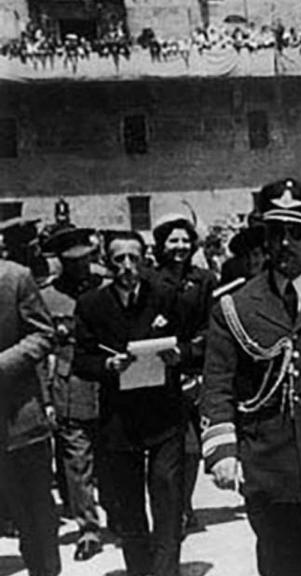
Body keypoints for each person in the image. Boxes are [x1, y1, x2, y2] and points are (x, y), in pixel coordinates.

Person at [201, 178, 301, 576]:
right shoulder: (235, 307)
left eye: (297, 232)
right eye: (275, 232)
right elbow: (218, 385)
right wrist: (223, 451)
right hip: (269, 469)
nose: (285, 242)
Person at [73, 230, 186, 576]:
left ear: (145, 259)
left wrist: (178, 355)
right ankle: (139, 570)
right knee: (129, 504)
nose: (127, 266)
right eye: (119, 259)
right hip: (119, 419)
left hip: (164, 413)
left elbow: (192, 342)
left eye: (133, 258)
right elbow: (81, 360)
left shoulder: (165, 296)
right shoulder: (92, 304)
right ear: (107, 263)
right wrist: (107, 365)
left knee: (167, 497)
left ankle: (166, 571)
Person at [148, 213, 218, 535]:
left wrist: (188, 353)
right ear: (161, 245)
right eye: (173, 240)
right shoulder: (149, 279)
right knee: (163, 451)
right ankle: (167, 510)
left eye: (185, 240)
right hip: (157, 373)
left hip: (193, 372)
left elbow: (210, 326)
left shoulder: (204, 280)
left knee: (191, 449)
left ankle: (183, 506)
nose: (180, 246)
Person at [38, 227, 105, 561]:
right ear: (61, 263)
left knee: (112, 457)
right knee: (77, 462)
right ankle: (88, 529)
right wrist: (46, 398)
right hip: (70, 385)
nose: (80, 267)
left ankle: (120, 515)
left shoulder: (106, 288)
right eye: (72, 262)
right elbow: (39, 351)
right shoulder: (46, 298)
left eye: (85, 260)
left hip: (108, 383)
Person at [0, 256, 60, 576]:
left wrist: (2, 364)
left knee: (33, 511)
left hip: (16, 419)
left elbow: (43, 334)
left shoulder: (15, 277)